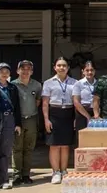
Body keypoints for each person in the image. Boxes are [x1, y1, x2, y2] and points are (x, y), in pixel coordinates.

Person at [41, 58, 76, 186]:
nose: (61, 68)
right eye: (59, 65)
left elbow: (76, 102)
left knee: (65, 145)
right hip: (54, 113)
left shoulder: (74, 83)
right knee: (54, 145)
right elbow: (45, 103)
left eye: (64, 65)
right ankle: (55, 172)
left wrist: (75, 119)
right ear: (54, 67)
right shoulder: (48, 83)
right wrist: (46, 119)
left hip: (68, 113)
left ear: (68, 68)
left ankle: (64, 170)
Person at [11, 60, 42, 186]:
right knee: (17, 148)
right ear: (18, 71)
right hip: (17, 120)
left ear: (32, 71)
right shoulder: (12, 85)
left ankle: (26, 175)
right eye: (22, 68)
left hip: (31, 119)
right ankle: (16, 175)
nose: (25, 71)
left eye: (28, 69)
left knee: (29, 148)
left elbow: (38, 101)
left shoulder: (37, 85)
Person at [0, 64, 21, 190]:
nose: (4, 73)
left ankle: (4, 180)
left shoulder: (13, 88)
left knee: (6, 151)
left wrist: (18, 124)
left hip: (10, 120)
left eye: (6, 71)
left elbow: (17, 107)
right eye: (1, 71)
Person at [72, 61, 96, 140]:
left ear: (95, 71)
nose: (89, 72)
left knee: (95, 138)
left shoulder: (99, 83)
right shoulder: (78, 84)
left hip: (96, 113)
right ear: (83, 71)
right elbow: (76, 102)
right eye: (87, 70)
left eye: (91, 70)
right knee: (82, 139)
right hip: (82, 112)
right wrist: (88, 117)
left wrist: (96, 115)